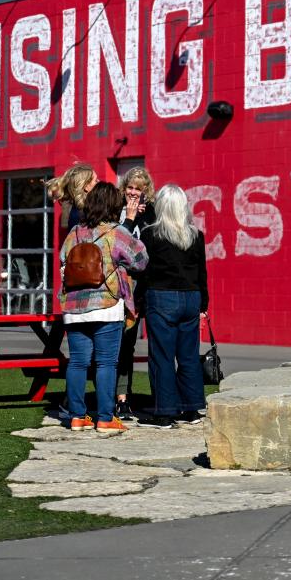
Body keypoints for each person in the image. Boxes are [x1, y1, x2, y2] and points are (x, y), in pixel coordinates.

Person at [58, 182, 148, 432]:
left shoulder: (75, 232)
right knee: (107, 363)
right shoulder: (117, 232)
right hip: (107, 305)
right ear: (113, 206)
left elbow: (63, 260)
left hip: (75, 306)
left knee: (77, 362)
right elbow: (141, 261)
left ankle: (77, 416)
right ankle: (105, 417)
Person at [137, 183, 208, 428]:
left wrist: (139, 299)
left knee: (162, 356)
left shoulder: (150, 234)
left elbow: (144, 272)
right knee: (188, 356)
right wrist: (204, 302)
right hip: (191, 297)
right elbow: (202, 271)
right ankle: (192, 408)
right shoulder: (196, 235)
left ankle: (165, 412)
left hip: (162, 297)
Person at [114, 166, 157, 421]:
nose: (133, 193)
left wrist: (141, 218)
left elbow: (150, 249)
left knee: (130, 342)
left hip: (140, 286)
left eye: (138, 189)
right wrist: (129, 218)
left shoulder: (150, 214)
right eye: (130, 187)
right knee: (117, 344)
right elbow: (119, 247)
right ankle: (118, 396)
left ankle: (126, 398)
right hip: (119, 285)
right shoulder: (115, 212)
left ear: (145, 192)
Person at [47, 163, 97, 230]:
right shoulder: (84, 215)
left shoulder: (81, 211)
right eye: (96, 180)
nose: (99, 182)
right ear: (86, 186)